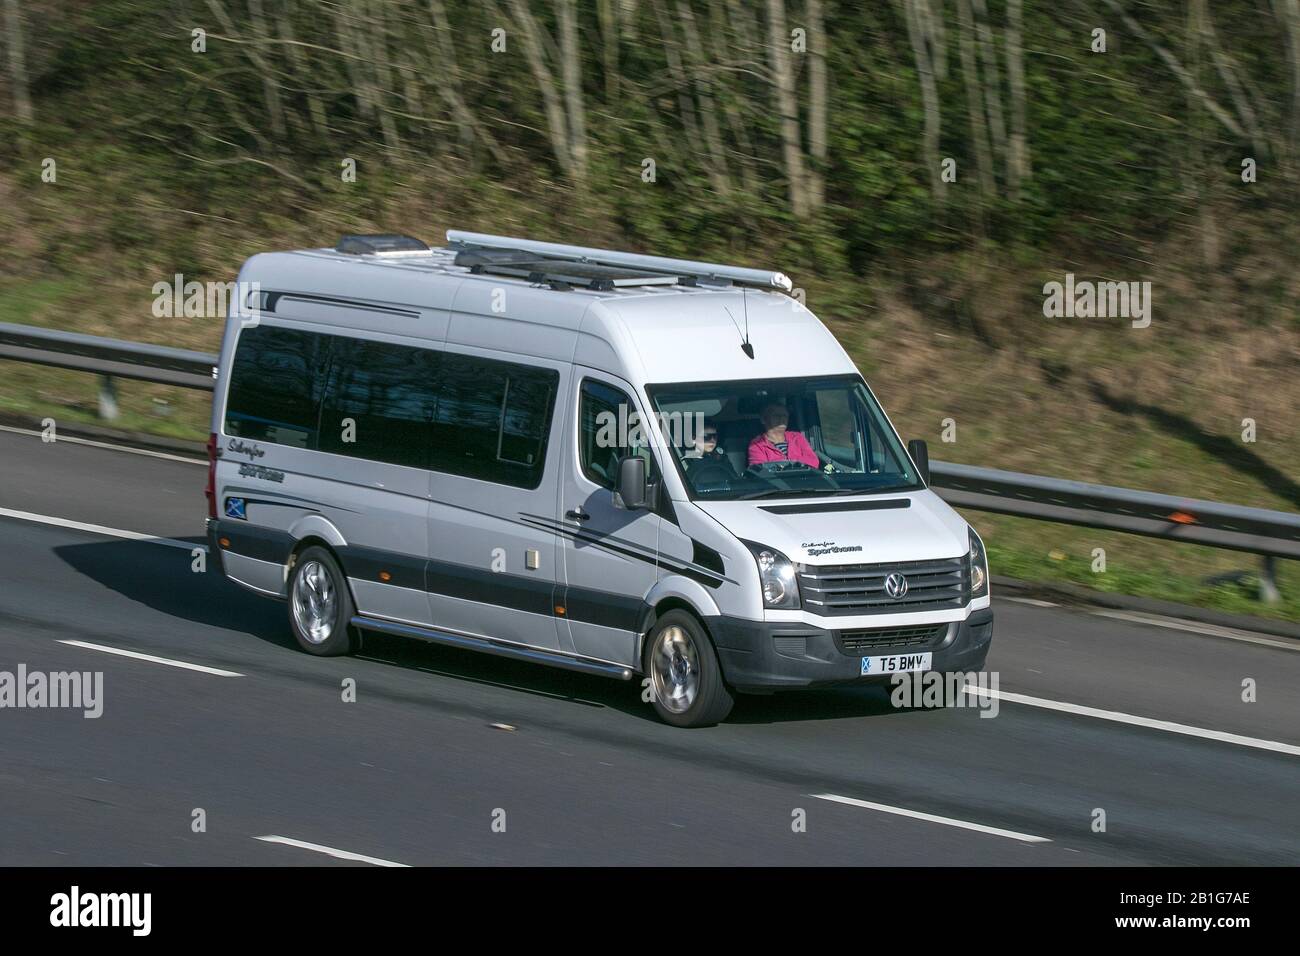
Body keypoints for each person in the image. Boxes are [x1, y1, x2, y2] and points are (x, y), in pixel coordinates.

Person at [747, 403, 821, 469]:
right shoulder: (756, 444)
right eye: (776, 416)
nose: (782, 418)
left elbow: (814, 462)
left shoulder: (797, 437)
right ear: (763, 420)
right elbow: (759, 470)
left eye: (785, 415)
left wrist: (782, 463)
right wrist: (797, 462)